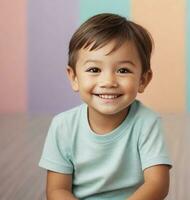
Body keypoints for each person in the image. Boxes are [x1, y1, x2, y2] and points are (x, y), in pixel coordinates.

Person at [39, 13, 172, 200]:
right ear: (74, 77)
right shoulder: (63, 126)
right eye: (94, 70)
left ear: (143, 79)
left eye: (123, 70)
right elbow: (57, 190)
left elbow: (157, 184)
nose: (108, 81)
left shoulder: (147, 123)